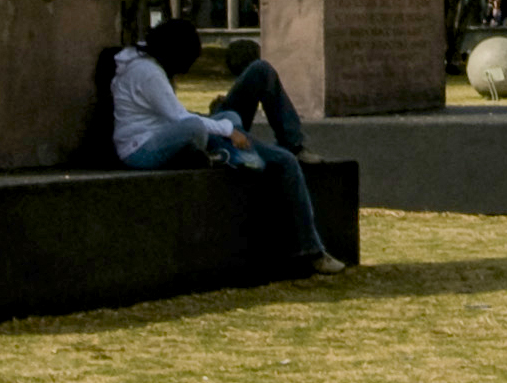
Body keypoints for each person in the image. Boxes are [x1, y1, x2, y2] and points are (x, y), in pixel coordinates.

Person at [106, 17, 341, 275]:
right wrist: (227, 130)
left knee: (246, 93)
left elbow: (172, 116)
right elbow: (180, 120)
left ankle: (280, 144)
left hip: (171, 133)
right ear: (174, 54)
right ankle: (311, 250)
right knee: (277, 157)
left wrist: (222, 121)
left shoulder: (145, 61)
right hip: (151, 144)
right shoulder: (147, 72)